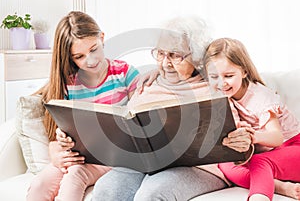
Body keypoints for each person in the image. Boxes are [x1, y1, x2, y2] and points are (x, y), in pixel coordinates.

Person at [92, 16, 253, 201]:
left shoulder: (213, 87)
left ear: (197, 56)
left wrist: (242, 143)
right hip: (141, 164)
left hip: (198, 169)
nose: (166, 63)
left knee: (151, 195)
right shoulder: (147, 84)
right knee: (106, 189)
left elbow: (239, 140)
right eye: (161, 53)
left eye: (175, 55)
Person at [26, 11, 140, 201]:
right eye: (79, 56)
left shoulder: (125, 73)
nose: (91, 60)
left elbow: (140, 118)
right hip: (78, 155)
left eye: (94, 49)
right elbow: (58, 131)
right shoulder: (68, 83)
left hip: (114, 158)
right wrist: (59, 146)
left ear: (102, 38)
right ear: (70, 58)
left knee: (75, 175)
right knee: (39, 185)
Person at [204, 37, 300, 201]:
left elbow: (276, 137)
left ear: (244, 72)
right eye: (214, 76)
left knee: (259, 162)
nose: (221, 83)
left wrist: (252, 136)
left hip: (293, 146)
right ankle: (280, 186)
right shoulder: (226, 98)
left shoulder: (259, 96)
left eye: (228, 75)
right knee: (226, 165)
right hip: (272, 155)